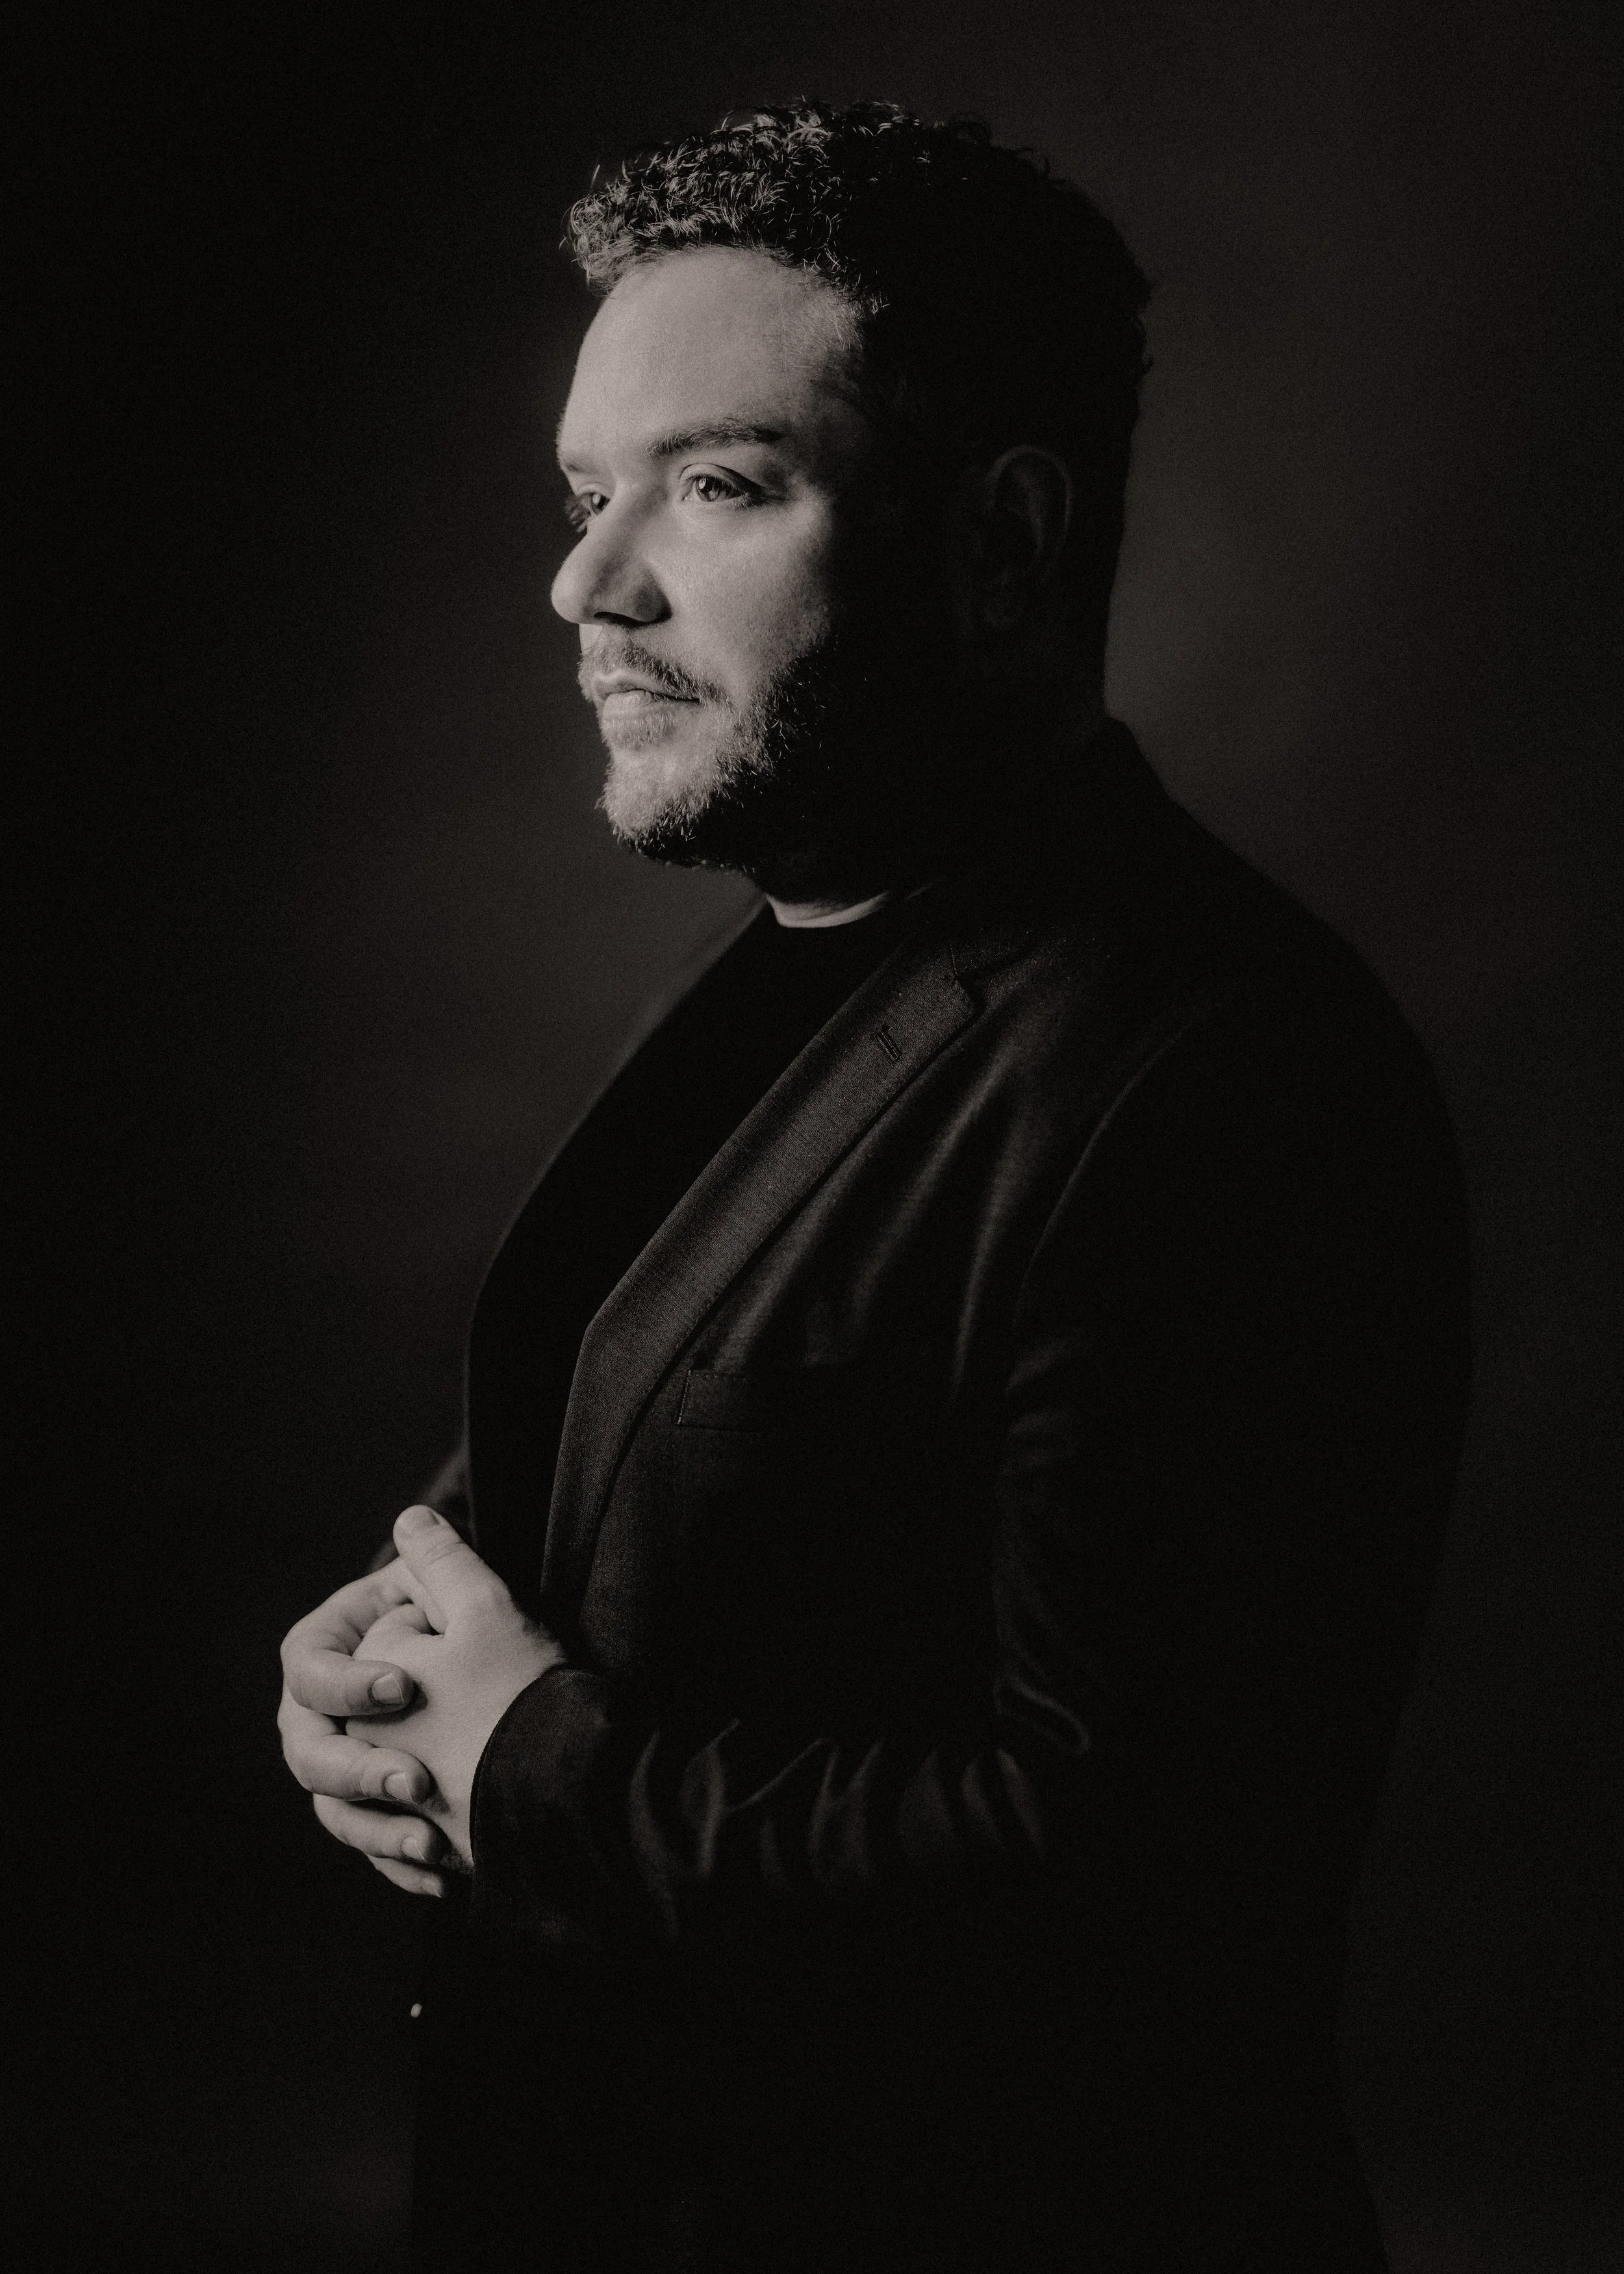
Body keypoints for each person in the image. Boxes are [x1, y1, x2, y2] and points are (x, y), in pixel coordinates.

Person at [277, 103, 1471, 2271]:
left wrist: (530, 1761)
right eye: (583, 491)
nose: (587, 583)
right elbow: (671, 1496)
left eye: (718, 486)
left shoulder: (1225, 1075)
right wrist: (374, 1677)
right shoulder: (800, 960)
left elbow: (1135, 1883)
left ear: (998, 537)